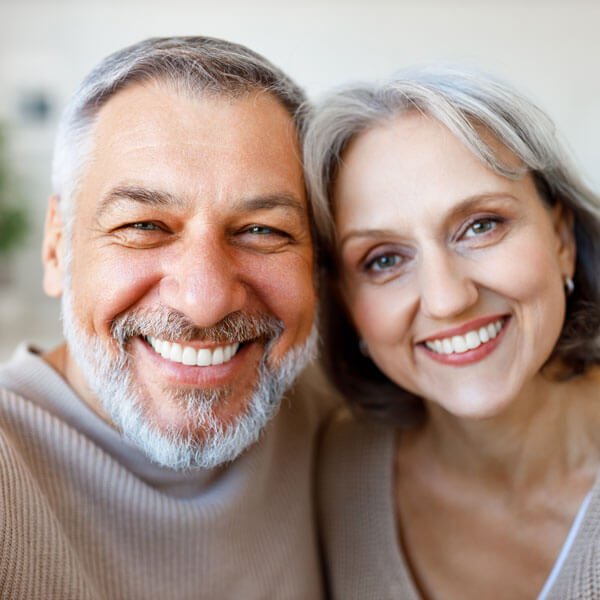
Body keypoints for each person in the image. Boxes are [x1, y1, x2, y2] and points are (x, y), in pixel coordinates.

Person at [0, 36, 331, 599]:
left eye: (263, 231)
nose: (204, 300)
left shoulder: (340, 423)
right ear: (57, 248)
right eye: (144, 226)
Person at [304, 66, 600, 600]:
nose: (447, 299)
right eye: (384, 259)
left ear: (561, 240)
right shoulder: (335, 471)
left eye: (481, 225)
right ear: (346, 303)